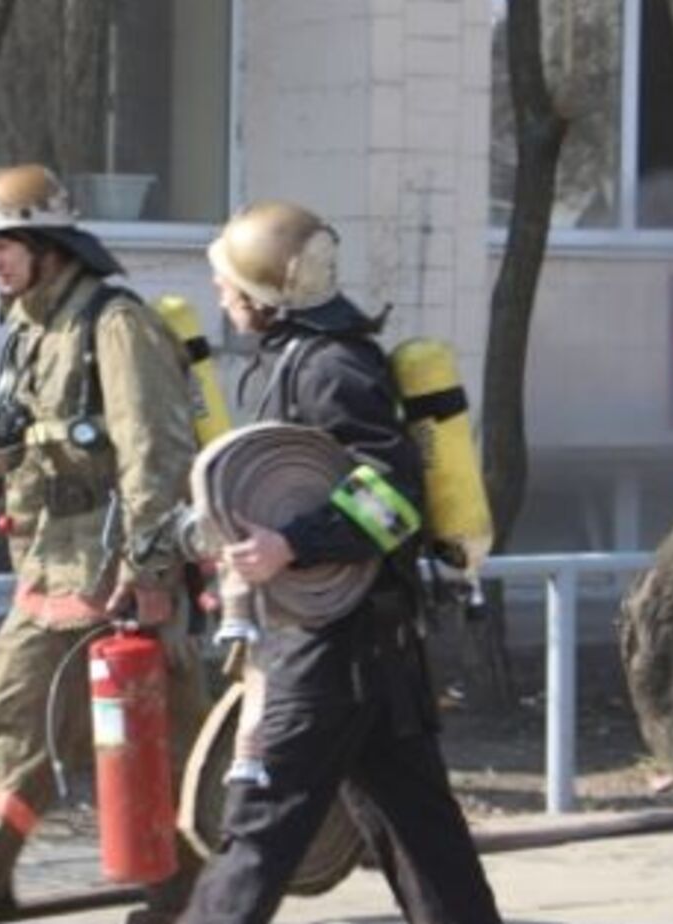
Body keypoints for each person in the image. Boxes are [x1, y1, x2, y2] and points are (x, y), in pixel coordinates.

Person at [0, 165, 208, 924]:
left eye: (2, 246)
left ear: (49, 245)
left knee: (153, 741)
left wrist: (152, 569)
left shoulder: (115, 325)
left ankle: (201, 897)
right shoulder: (30, 330)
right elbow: (20, 445)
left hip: (112, 570)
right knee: (23, 719)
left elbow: (157, 452)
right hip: (51, 561)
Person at [180, 199, 504, 924]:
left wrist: (291, 545)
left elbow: (393, 499)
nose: (221, 295)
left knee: (257, 826)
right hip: (372, 654)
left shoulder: (331, 367)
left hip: (332, 650)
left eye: (228, 282)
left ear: (266, 293)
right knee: (426, 841)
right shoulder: (287, 361)